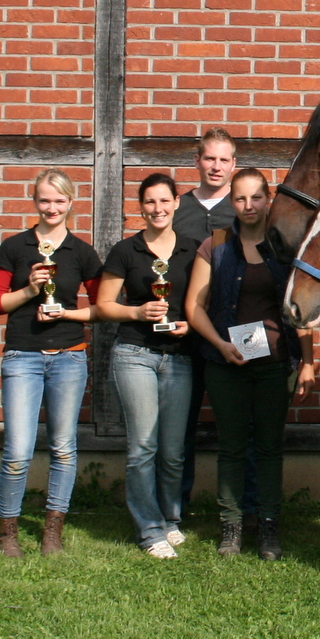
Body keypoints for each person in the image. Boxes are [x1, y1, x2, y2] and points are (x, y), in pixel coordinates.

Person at [184, 168, 316, 560]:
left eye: (256, 197)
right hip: (226, 364)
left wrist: (307, 362)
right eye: (240, 199)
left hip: (274, 363)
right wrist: (220, 345)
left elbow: (300, 310)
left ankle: (269, 526)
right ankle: (232, 525)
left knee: (271, 447)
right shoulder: (216, 246)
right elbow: (194, 306)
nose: (248, 206)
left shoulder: (287, 249)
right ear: (232, 202)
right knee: (232, 448)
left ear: (268, 200)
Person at [0, 169, 103, 556]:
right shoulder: (14, 248)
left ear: (71, 202)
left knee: (64, 448)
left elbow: (102, 307)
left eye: (59, 200)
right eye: (44, 200)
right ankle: (9, 533)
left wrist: (69, 315)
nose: (52, 208)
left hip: (69, 357)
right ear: (35, 201)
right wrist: (31, 290)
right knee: (18, 449)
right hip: (23, 357)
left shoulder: (82, 253)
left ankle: (53, 530)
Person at [97, 173, 197, 558]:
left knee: (172, 450)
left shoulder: (192, 249)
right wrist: (137, 311)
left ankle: (170, 519)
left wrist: (191, 323)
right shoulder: (126, 251)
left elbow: (201, 304)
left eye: (164, 201)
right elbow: (104, 306)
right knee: (143, 446)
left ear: (176, 204)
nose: (158, 209)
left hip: (179, 357)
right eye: (150, 202)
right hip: (135, 354)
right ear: (141, 207)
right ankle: (148, 528)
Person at [171, 128, 258, 520]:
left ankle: (250, 508)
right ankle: (177, 509)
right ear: (197, 162)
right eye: (210, 158)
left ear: (234, 165)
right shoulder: (178, 209)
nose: (216, 167)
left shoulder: (246, 210)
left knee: (247, 428)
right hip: (186, 333)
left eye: (224, 160)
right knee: (180, 428)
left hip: (241, 334)